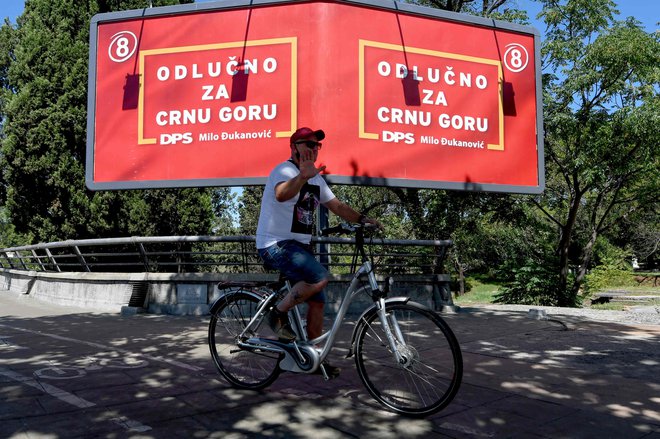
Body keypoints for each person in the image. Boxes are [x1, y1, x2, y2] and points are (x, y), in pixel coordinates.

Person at [256, 127, 380, 376]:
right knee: (320, 277)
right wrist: (302, 177)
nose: (313, 149)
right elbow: (281, 194)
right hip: (275, 244)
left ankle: (314, 358)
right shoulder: (284, 170)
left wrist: (364, 219)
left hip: (299, 247)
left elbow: (337, 206)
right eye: (307, 144)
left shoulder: (316, 178)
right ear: (294, 147)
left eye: (317, 145)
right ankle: (276, 315)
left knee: (318, 302)